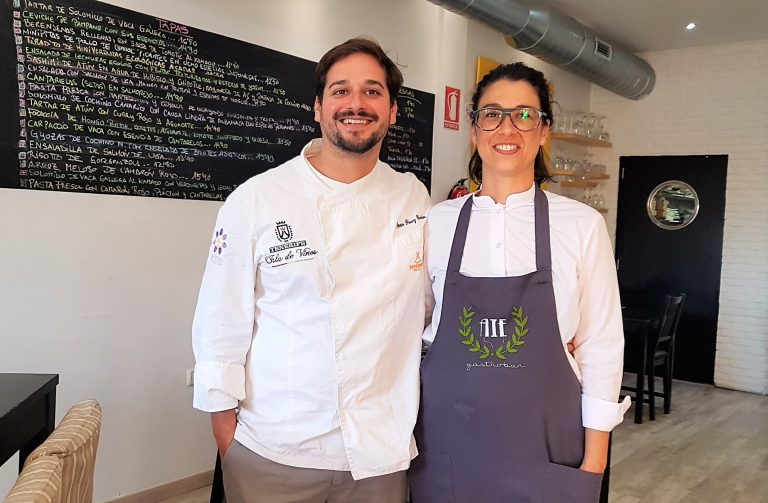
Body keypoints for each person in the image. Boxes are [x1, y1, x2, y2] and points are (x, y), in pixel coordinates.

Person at [192, 38, 432, 503]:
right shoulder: (257, 199)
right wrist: (228, 439)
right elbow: (221, 322)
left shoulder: (413, 199)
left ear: (393, 110)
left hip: (379, 453)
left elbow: (431, 308)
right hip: (275, 451)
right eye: (340, 91)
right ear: (318, 107)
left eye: (372, 91)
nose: (356, 104)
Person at [408, 63, 630, 503]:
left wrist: (595, 463)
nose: (507, 127)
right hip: (448, 447)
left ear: (544, 130)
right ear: (473, 130)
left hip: (550, 451)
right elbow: (416, 323)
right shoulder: (437, 222)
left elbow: (602, 345)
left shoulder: (582, 225)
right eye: (492, 114)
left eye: (525, 115)